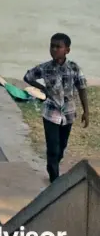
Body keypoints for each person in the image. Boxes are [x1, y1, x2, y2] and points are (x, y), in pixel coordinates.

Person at [23, 33, 90, 182]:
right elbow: (28, 77)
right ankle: (54, 179)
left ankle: (53, 165)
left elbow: (82, 88)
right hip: (51, 113)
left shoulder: (74, 68)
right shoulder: (45, 67)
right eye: (52, 46)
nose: (54, 49)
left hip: (68, 114)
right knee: (53, 148)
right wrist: (43, 89)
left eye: (58, 47)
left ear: (67, 50)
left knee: (61, 148)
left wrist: (86, 111)